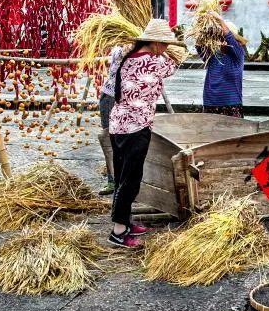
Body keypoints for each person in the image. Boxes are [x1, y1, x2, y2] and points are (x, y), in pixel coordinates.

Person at [107, 19, 181, 247]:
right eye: (165, 44)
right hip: (136, 127)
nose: (167, 48)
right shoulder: (155, 62)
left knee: (121, 176)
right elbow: (174, 65)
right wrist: (177, 51)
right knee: (131, 179)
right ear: (156, 43)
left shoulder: (125, 55)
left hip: (117, 124)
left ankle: (126, 222)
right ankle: (118, 231)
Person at [199, 16, 247, 118]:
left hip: (231, 104)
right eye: (219, 37)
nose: (223, 40)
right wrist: (204, 23)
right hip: (210, 104)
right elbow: (199, 44)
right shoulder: (212, 55)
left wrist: (219, 20)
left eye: (224, 37)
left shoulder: (238, 53)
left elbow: (229, 36)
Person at [96, 44, 125, 196]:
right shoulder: (121, 49)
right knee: (111, 139)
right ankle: (112, 180)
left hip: (128, 99)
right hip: (111, 97)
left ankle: (122, 179)